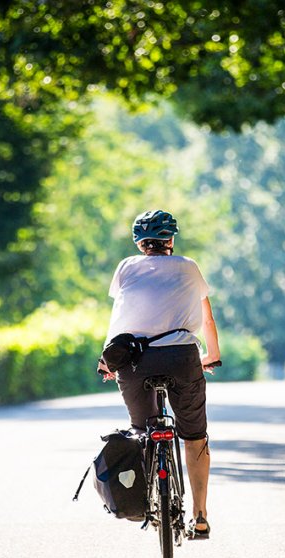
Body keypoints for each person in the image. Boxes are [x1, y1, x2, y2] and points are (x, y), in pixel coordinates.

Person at [97, 209, 222, 540]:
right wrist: (213, 356)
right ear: (171, 240)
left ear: (140, 244)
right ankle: (199, 515)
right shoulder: (189, 267)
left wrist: (106, 360)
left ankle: (148, 494)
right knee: (194, 437)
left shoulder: (126, 267)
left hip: (134, 363)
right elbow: (206, 319)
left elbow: (121, 317)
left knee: (142, 431)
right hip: (182, 357)